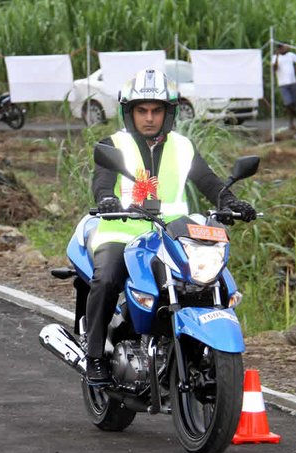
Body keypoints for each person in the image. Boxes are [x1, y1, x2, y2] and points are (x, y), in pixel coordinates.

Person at [83, 69, 257, 385]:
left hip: (169, 233)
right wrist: (107, 199)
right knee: (107, 279)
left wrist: (231, 201)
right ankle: (94, 355)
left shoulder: (182, 147)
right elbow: (103, 182)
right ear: (129, 112)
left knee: (209, 280)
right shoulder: (114, 144)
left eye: (156, 110)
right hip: (121, 231)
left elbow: (208, 182)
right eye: (141, 110)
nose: (149, 117)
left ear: (168, 113)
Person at [271, 44, 296, 129]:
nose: (282, 49)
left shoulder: (291, 55)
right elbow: (274, 69)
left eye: (283, 47)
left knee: (293, 103)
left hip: (292, 82)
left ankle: (291, 123)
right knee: (288, 103)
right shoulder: (275, 57)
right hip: (283, 83)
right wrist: (276, 56)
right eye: (280, 48)